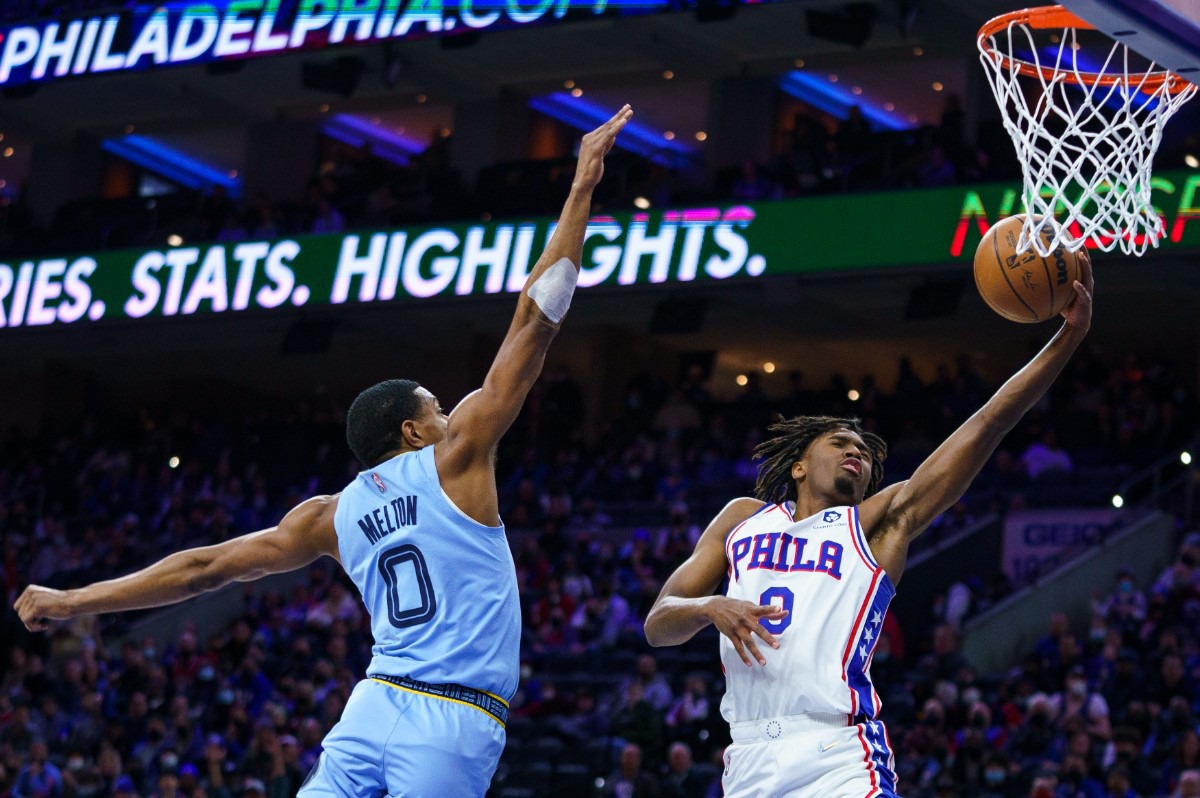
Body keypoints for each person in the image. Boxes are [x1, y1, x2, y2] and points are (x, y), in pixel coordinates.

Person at [14, 106, 634, 798]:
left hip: (373, 706)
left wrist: (74, 599)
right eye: (436, 405)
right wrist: (582, 185)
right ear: (412, 431)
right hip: (454, 718)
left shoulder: (328, 515)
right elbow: (536, 315)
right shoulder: (457, 456)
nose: (448, 409)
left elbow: (203, 568)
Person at [644, 257, 1094, 797]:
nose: (856, 452)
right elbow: (658, 623)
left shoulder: (875, 526)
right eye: (840, 443)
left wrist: (1067, 340)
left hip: (839, 755)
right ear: (799, 464)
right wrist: (709, 607)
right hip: (747, 758)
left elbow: (988, 423)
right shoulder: (743, 518)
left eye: (863, 451)